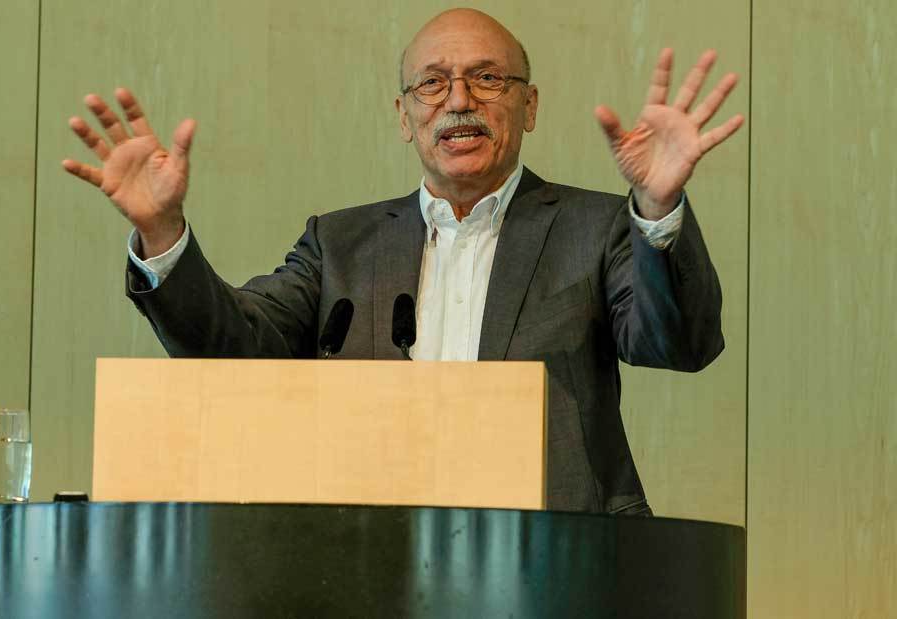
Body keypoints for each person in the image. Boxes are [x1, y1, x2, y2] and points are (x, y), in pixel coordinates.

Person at [62, 9, 743, 514]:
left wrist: (658, 206)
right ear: (403, 114)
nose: (459, 100)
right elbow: (234, 347)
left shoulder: (594, 227)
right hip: (371, 561)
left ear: (529, 105)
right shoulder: (340, 244)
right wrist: (162, 231)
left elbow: (678, 344)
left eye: (487, 78)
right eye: (432, 83)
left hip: (555, 562)